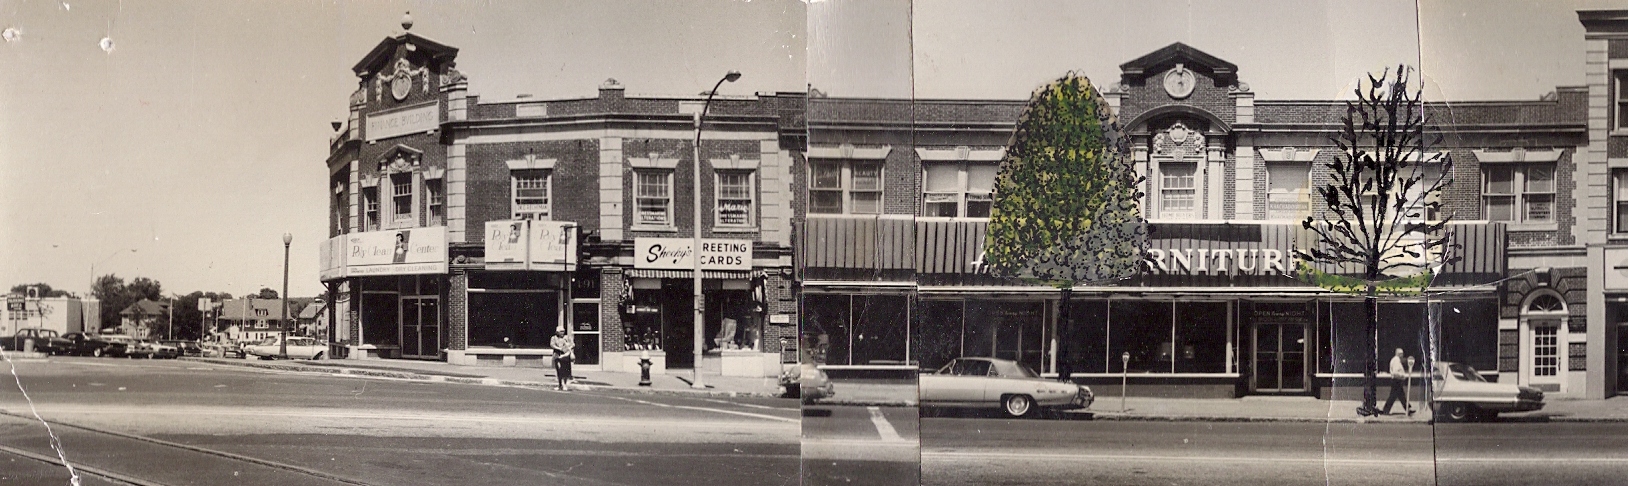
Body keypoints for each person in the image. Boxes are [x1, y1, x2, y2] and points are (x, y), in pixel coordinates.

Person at [1381, 348, 1414, 415]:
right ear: (1398, 354)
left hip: (1397, 380)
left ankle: (1408, 409)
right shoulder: (1396, 361)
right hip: (1397, 381)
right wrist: (1402, 375)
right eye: (1401, 353)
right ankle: (1385, 410)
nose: (1402, 355)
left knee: (1401, 396)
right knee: (1394, 396)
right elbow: (1395, 372)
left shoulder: (1396, 360)